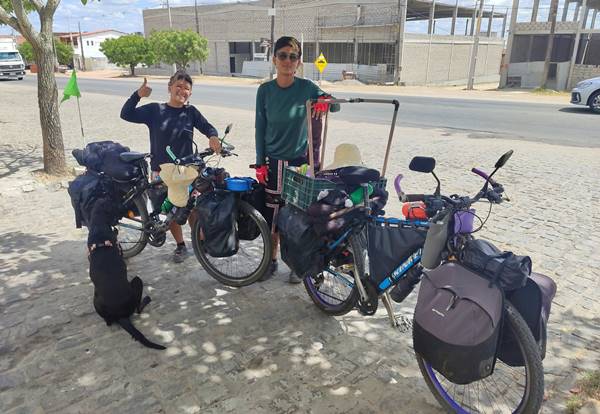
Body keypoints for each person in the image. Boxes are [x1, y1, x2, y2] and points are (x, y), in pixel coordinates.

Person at [255, 36, 339, 283]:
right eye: (282, 55)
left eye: (293, 57)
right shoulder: (265, 91)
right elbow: (260, 127)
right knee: (273, 216)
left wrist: (324, 102)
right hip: (274, 162)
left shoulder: (308, 88)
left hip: (301, 164)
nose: (287, 61)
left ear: (299, 62)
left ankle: (296, 263)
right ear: (274, 59)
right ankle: (270, 261)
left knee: (299, 216)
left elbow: (335, 106)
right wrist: (260, 162)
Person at [120, 70, 221, 263]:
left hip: (186, 171)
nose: (182, 91)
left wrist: (213, 137)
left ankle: (200, 241)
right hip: (162, 172)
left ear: (190, 93)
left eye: (186, 88)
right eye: (178, 86)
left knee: (192, 207)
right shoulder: (155, 110)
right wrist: (138, 95)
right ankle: (180, 245)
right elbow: (126, 114)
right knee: (171, 211)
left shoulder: (190, 112)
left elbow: (207, 126)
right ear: (169, 87)